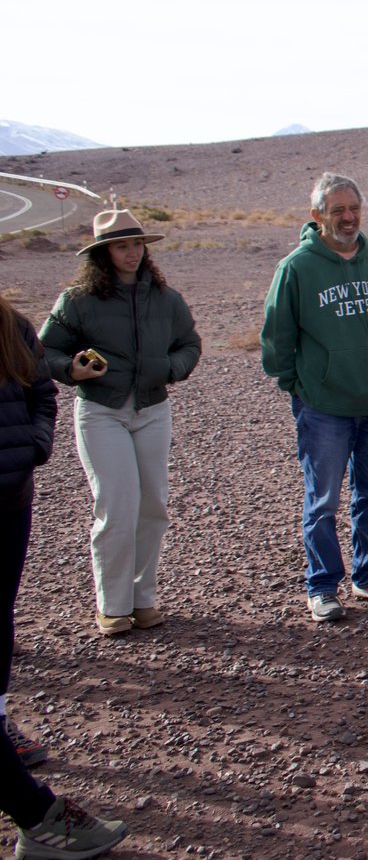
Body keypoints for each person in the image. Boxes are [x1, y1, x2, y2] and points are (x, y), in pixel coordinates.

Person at [3, 294, 128, 857]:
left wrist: (32, 445)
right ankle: (39, 817)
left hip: (10, 501)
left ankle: (0, 716)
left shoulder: (9, 324)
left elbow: (39, 390)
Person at [40, 209, 201, 638]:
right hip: (101, 411)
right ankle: (112, 606)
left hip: (152, 409)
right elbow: (44, 350)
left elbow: (189, 343)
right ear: (103, 253)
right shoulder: (77, 301)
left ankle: (142, 599)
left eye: (136, 244)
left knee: (153, 506)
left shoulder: (166, 299)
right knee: (117, 506)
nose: (131, 253)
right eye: (120, 245)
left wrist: (170, 368)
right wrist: (72, 370)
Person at [261, 173, 368, 623]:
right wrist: (301, 386)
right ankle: (322, 584)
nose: (347, 217)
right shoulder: (297, 268)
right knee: (323, 500)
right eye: (337, 209)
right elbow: (276, 341)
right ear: (317, 215)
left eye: (353, 208)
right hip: (324, 407)